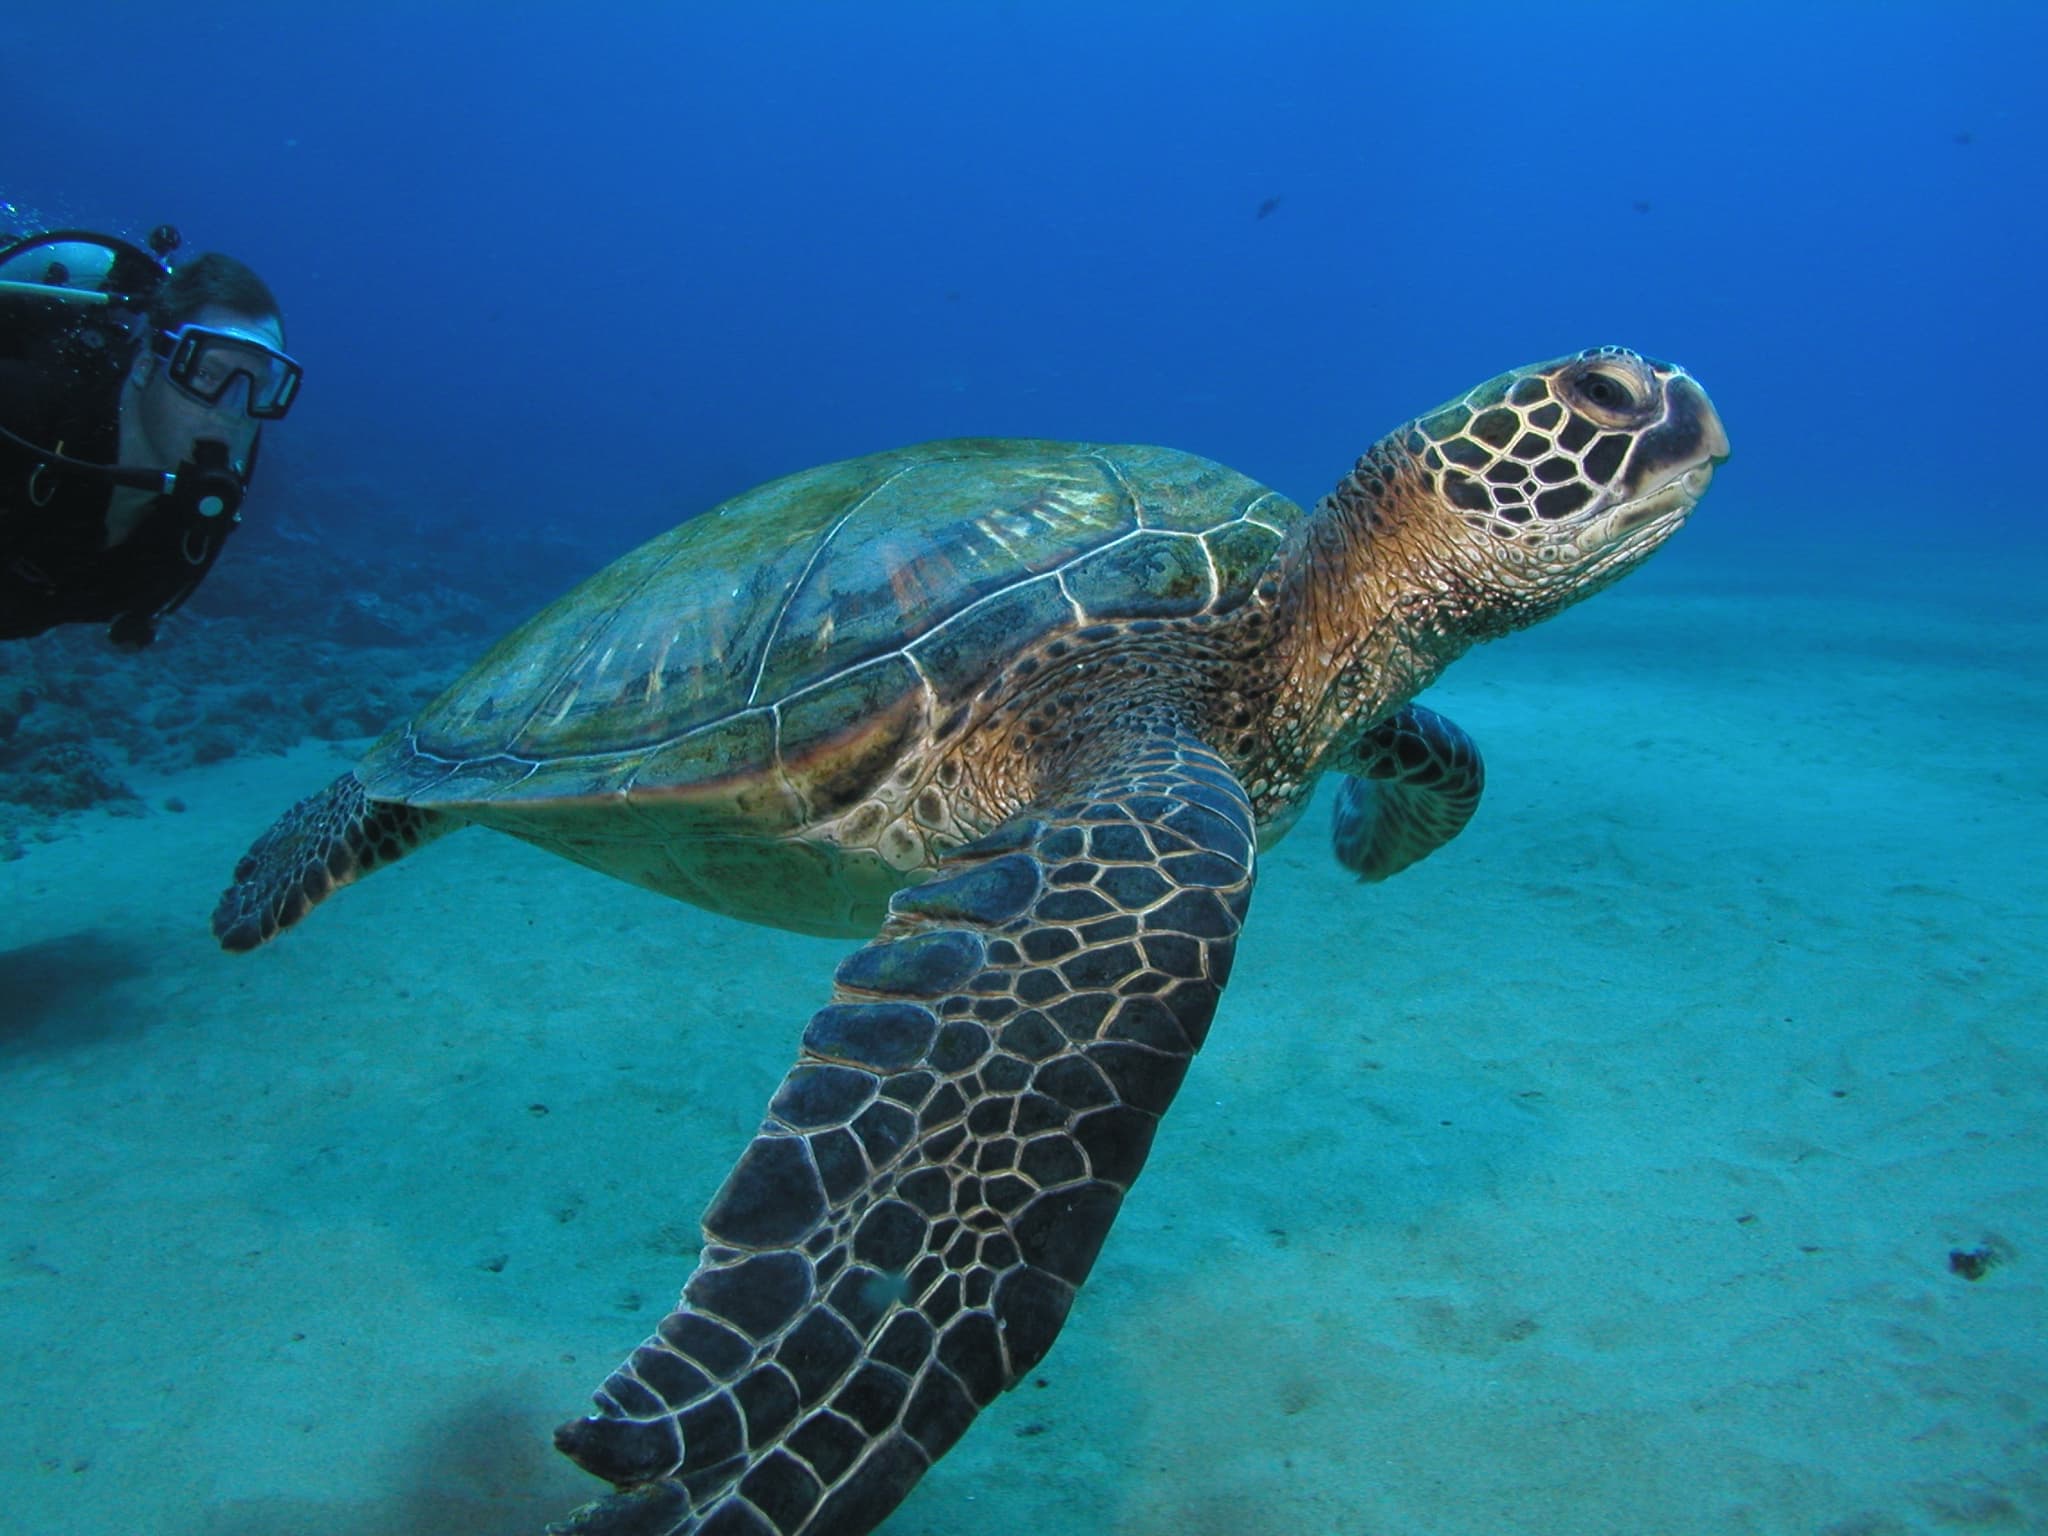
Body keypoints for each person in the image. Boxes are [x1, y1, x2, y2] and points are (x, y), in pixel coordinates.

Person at [0, 225, 301, 648]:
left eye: (255, 387)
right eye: (206, 373)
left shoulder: (225, 486)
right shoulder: (20, 414)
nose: (231, 412)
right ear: (146, 365)